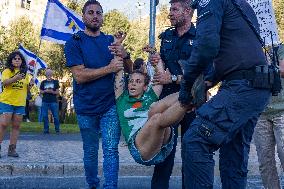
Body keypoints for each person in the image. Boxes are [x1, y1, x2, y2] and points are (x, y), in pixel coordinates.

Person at [178, 0, 271, 188]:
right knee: (233, 157)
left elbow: (206, 46)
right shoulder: (241, 5)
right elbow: (236, 52)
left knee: (196, 140)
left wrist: (186, 87)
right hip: (255, 87)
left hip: (242, 87)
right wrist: (209, 80)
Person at [64, 1, 132, 188]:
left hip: (110, 105)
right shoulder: (74, 42)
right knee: (91, 151)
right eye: (91, 12)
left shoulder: (110, 41)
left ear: (102, 17)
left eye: (99, 13)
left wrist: (124, 55)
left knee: (111, 150)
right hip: (85, 107)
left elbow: (129, 70)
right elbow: (79, 76)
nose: (95, 16)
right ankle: (92, 184)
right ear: (83, 16)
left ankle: (110, 186)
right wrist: (108, 68)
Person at [150, 1, 197, 188]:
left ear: (188, 12)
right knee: (165, 148)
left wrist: (175, 78)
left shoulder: (201, 37)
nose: (170, 13)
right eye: (170, 9)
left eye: (174, 9)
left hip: (192, 99)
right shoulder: (167, 36)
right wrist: (157, 61)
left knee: (191, 150)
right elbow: (164, 68)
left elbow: (204, 73)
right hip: (167, 100)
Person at [115, 56, 189, 166]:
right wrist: (119, 52)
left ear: (145, 87)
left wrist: (157, 58)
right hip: (141, 150)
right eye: (130, 81)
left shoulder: (149, 96)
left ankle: (190, 94)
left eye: (138, 81)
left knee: (155, 107)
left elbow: (159, 76)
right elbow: (119, 73)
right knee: (155, 117)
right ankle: (187, 102)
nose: (133, 84)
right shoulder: (122, 99)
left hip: (163, 143)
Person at [253, 44, 284, 189]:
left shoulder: (280, 48)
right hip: (260, 113)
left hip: (282, 111)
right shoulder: (249, 50)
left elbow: (282, 70)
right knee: (265, 162)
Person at [0, 51, 34, 158]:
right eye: (15, 59)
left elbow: (27, 89)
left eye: (19, 59)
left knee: (16, 126)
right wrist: (15, 78)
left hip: (20, 103)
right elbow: (4, 83)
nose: (17, 60)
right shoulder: (7, 71)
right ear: (11, 60)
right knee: (4, 124)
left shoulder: (26, 74)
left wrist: (31, 85)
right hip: (7, 101)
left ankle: (12, 149)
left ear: (22, 61)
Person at [40, 68, 60, 134]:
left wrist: (52, 91)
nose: (49, 74)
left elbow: (57, 92)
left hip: (53, 101)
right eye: (47, 73)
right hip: (45, 101)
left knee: (56, 116)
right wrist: (45, 91)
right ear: (46, 74)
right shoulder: (43, 82)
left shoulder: (55, 82)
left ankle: (57, 130)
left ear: (52, 74)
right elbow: (40, 92)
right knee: (45, 116)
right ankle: (46, 130)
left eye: (50, 73)